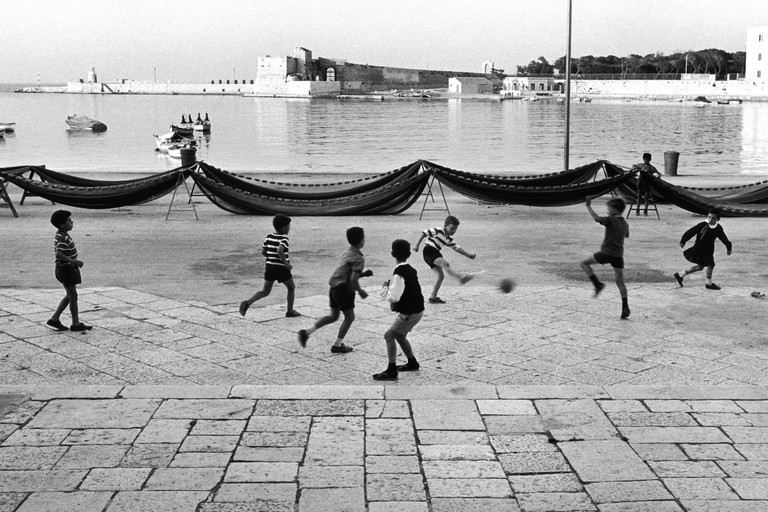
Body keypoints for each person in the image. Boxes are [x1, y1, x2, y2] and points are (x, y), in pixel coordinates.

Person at [298, 227, 372, 353]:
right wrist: (360, 291)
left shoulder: (346, 253)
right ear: (361, 241)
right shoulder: (359, 258)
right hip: (344, 289)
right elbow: (353, 279)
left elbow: (346, 272)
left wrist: (363, 274)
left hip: (334, 288)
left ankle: (307, 332)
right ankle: (337, 345)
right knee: (349, 317)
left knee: (333, 316)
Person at [373, 239, 425, 381]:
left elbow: (394, 297)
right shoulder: (411, 269)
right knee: (400, 336)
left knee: (389, 335)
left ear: (392, 254)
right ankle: (412, 362)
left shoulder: (398, 272)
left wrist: (384, 289)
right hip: (417, 310)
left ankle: (391, 370)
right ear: (408, 254)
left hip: (410, 313)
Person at [239, 214, 301, 318]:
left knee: (265, 291)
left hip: (270, 267)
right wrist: (286, 264)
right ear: (283, 227)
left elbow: (263, 252)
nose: (289, 228)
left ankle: (248, 302)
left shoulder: (269, 237)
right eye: (288, 226)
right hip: (281, 268)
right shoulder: (284, 238)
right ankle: (290, 311)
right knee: (291, 287)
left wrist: (271, 257)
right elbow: (280, 250)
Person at [580, 196, 631, 319]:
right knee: (620, 282)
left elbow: (597, 219)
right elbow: (627, 235)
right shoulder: (625, 223)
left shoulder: (610, 220)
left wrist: (588, 206)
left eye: (609, 207)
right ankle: (625, 306)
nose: (608, 209)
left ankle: (597, 284)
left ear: (615, 209)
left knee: (584, 263)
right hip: (619, 256)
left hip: (606, 253)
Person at [413, 215, 476, 304]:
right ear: (445, 226)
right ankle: (460, 278)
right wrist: (416, 245)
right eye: (452, 228)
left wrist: (468, 255)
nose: (453, 231)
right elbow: (423, 233)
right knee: (445, 263)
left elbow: (456, 247)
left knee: (440, 276)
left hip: (435, 253)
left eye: (455, 229)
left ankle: (433, 297)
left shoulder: (449, 238)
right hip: (429, 251)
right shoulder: (438, 230)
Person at [47, 210, 92, 332]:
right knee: (73, 296)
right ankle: (75, 323)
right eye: (69, 220)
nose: (72, 222)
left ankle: (55, 318)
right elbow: (59, 254)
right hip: (66, 269)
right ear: (62, 224)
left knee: (70, 295)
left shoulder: (64, 234)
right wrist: (74, 262)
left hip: (68, 268)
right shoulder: (62, 236)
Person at [674, 211, 732, 290]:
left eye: (713, 218)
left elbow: (724, 238)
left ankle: (680, 275)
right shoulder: (702, 225)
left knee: (700, 267)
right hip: (700, 249)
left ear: (718, 219)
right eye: (709, 217)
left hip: (708, 250)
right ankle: (708, 283)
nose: (710, 219)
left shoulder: (718, 228)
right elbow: (691, 232)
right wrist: (683, 241)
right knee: (711, 265)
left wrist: (729, 247)